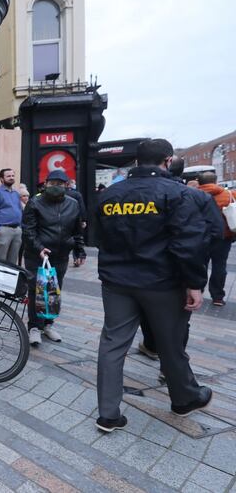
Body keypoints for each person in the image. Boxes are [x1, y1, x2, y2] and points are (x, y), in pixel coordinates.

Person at [96, 138, 212, 433]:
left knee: (112, 344)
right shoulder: (176, 193)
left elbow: (97, 237)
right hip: (161, 282)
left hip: (117, 281)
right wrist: (194, 283)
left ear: (137, 161)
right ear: (168, 160)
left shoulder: (110, 194)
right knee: (171, 343)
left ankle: (108, 414)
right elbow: (188, 243)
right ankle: (184, 399)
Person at [139, 157, 223, 360]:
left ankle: (152, 346)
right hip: (183, 270)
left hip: (148, 268)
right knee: (179, 320)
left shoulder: (145, 193)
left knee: (148, 310)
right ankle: (170, 365)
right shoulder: (196, 196)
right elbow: (216, 232)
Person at [22, 170, 85, 346]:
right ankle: (34, 327)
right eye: (52, 183)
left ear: (66, 185)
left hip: (60, 255)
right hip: (37, 256)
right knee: (37, 291)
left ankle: (48, 325)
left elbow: (77, 230)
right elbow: (28, 230)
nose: (55, 186)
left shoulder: (73, 204)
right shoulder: (35, 202)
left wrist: (79, 250)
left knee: (53, 290)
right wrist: (39, 248)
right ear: (45, 184)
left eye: (59, 184)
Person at [198, 171, 235, 306]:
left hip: (200, 237)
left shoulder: (192, 195)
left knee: (200, 264)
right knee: (220, 266)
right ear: (215, 181)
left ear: (199, 182)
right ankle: (217, 296)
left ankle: (198, 290)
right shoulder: (229, 194)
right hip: (223, 237)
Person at [0, 168, 22, 265]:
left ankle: (10, 275)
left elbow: (19, 210)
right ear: (2, 179)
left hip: (17, 230)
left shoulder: (16, 194)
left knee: (13, 261)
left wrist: (20, 227)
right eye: (8, 176)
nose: (11, 178)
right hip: (4, 229)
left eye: (13, 176)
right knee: (0, 260)